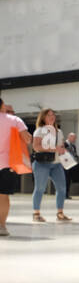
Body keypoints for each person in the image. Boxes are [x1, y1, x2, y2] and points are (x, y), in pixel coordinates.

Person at [30, 108, 72, 223]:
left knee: (62, 188)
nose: (52, 117)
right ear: (43, 117)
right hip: (41, 163)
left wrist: (63, 149)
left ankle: (60, 213)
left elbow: (61, 146)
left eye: (53, 115)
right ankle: (36, 213)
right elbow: (36, 147)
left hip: (56, 163)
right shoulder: (39, 131)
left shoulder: (59, 132)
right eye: (49, 115)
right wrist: (53, 149)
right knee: (40, 188)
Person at [0, 95, 32, 237]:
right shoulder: (15, 120)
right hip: (7, 163)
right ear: (2, 106)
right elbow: (27, 139)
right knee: (3, 196)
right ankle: (1, 226)